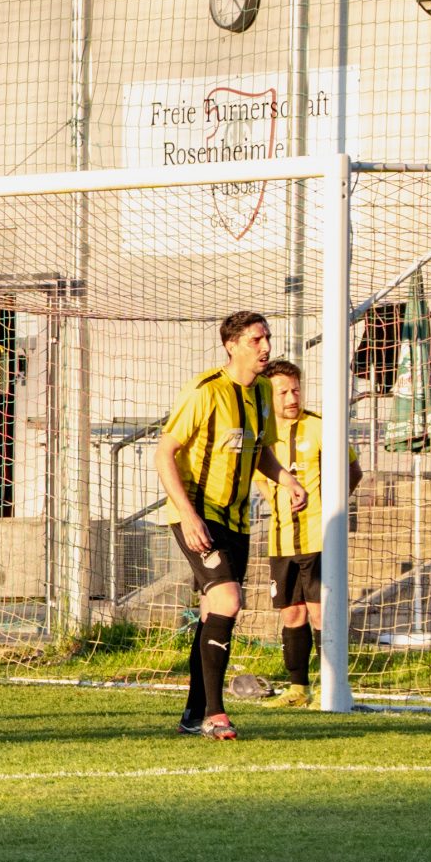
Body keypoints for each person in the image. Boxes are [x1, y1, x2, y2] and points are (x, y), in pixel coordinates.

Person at [153, 309, 305, 739]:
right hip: (198, 513)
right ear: (231, 345)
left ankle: (193, 713)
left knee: (215, 612)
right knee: (228, 600)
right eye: (256, 340)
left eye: (267, 338)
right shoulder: (204, 391)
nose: (266, 347)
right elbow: (164, 453)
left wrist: (286, 479)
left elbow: (261, 451)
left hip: (237, 519)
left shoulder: (263, 392)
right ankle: (215, 714)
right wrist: (188, 515)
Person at [260, 358, 359, 709]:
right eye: (283, 392)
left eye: (296, 390)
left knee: (320, 613)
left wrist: (330, 509)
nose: (292, 398)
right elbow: (260, 479)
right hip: (280, 540)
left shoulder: (320, 427)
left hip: (318, 539)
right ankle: (298, 689)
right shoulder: (262, 433)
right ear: (268, 396)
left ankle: (331, 687)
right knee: (292, 615)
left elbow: (353, 471)